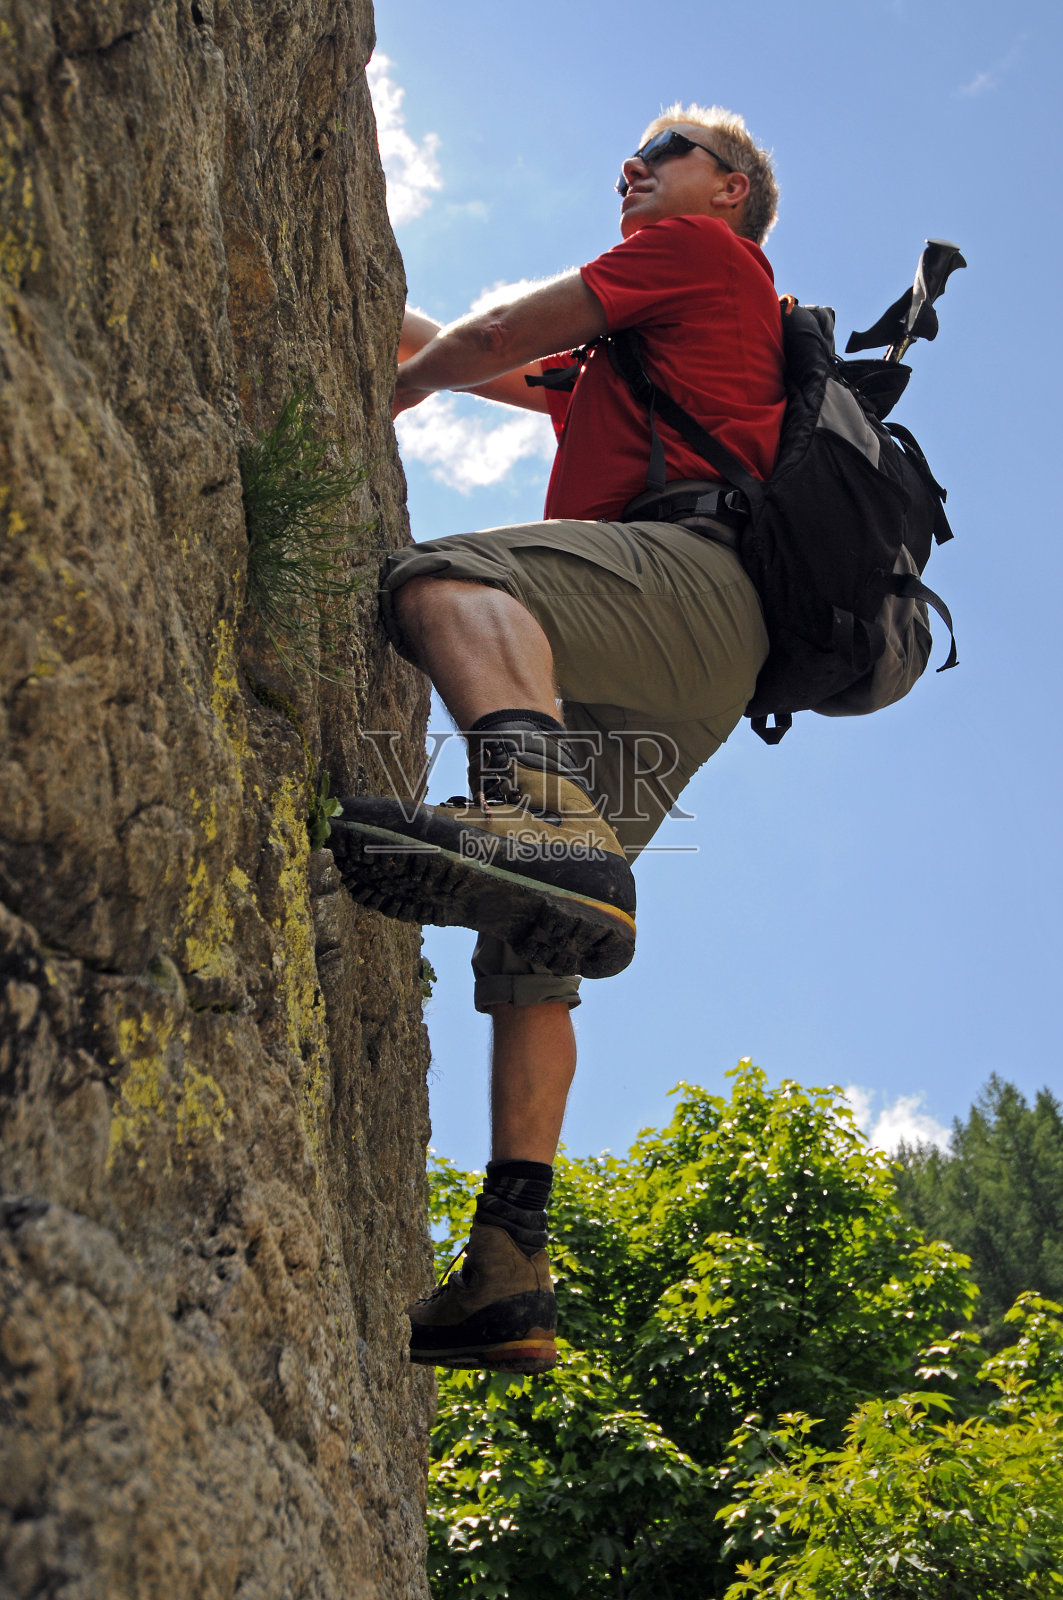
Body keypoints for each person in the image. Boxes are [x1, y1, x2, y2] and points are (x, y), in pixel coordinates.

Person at [333, 104, 785, 1373]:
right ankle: (508, 1270)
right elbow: (490, 361)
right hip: (690, 665)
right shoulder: (654, 351)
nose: (633, 169)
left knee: (440, 575)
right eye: (630, 158)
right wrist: (385, 328)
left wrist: (395, 392)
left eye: (665, 155)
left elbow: (490, 335)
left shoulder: (699, 255)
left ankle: (527, 800)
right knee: (537, 930)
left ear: (731, 188)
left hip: (685, 584)